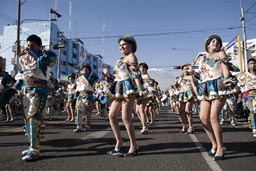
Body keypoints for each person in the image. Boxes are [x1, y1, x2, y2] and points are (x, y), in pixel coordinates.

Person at [14, 34, 56, 161]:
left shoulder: (45, 57)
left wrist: (33, 53)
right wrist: (15, 88)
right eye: (27, 46)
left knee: (34, 117)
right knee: (27, 119)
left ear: (39, 46)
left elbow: (47, 60)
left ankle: (35, 149)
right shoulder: (25, 60)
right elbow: (22, 75)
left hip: (39, 90)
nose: (28, 48)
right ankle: (33, 146)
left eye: (32, 46)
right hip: (26, 91)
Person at [195, 35, 237, 161]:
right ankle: (213, 143)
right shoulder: (202, 58)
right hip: (205, 88)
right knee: (203, 118)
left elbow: (225, 69)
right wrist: (193, 74)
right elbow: (202, 75)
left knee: (213, 117)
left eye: (218, 41)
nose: (215, 43)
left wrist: (226, 80)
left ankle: (220, 147)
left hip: (218, 86)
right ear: (208, 44)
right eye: (213, 41)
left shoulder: (221, 54)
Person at [104, 35, 142, 157]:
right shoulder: (121, 58)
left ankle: (133, 145)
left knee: (126, 118)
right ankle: (119, 142)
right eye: (120, 45)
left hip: (128, 88)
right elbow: (118, 76)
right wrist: (108, 75)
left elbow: (135, 74)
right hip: (118, 87)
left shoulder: (131, 57)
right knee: (112, 114)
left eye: (124, 44)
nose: (122, 47)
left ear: (131, 45)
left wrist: (140, 89)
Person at [74, 64, 98, 132]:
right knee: (79, 110)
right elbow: (76, 82)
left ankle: (87, 126)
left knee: (88, 111)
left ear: (89, 70)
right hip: (81, 95)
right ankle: (79, 126)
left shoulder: (92, 76)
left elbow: (90, 82)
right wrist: (77, 74)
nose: (84, 71)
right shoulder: (80, 77)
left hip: (89, 95)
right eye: (83, 69)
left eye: (86, 69)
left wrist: (85, 75)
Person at [236, 58, 256, 137]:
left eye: (254, 63)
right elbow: (238, 86)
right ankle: (254, 128)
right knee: (252, 110)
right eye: (251, 63)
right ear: (248, 65)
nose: (253, 65)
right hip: (249, 95)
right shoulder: (244, 76)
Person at [177, 64, 198, 134]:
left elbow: (194, 86)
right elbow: (177, 86)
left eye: (187, 69)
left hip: (189, 94)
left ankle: (190, 126)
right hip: (182, 95)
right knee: (181, 111)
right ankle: (184, 125)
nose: (185, 70)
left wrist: (197, 94)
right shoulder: (180, 78)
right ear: (182, 70)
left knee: (187, 110)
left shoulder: (191, 77)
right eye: (184, 69)